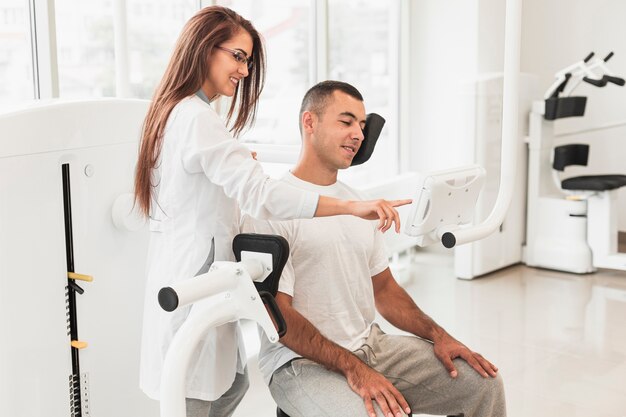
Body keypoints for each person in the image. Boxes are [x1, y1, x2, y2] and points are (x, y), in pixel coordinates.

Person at [133, 7, 410, 417]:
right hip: (194, 283)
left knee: (232, 382)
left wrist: (235, 160)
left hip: (192, 273)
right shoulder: (196, 119)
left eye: (247, 60)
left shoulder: (174, 112)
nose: (244, 71)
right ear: (205, 49)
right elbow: (262, 195)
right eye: (238, 57)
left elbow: (196, 177)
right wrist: (352, 206)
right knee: (197, 391)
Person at [242, 81, 506, 417]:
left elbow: (385, 290)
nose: (358, 135)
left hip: (371, 345)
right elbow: (278, 316)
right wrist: (354, 368)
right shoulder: (272, 205)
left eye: (362, 126)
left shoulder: (358, 203)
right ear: (309, 123)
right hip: (298, 363)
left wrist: (440, 335)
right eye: (346, 121)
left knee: (481, 384)